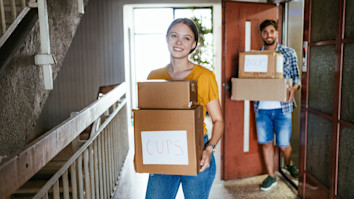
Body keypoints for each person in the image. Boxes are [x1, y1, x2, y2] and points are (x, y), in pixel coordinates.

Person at [145, 18, 224, 199]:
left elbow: (218, 120)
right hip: (163, 150)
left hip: (197, 151)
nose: (179, 42)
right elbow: (149, 119)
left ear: (194, 44)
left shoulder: (205, 77)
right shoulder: (154, 76)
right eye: (174, 36)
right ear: (166, 38)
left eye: (186, 38)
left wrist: (209, 149)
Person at [255, 19, 300, 191]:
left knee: (283, 144)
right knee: (266, 142)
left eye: (271, 31)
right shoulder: (256, 56)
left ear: (276, 33)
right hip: (262, 109)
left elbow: (296, 77)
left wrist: (294, 89)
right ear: (262, 34)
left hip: (283, 107)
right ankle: (271, 176)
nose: (268, 35)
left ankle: (288, 163)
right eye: (265, 32)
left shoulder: (288, 53)